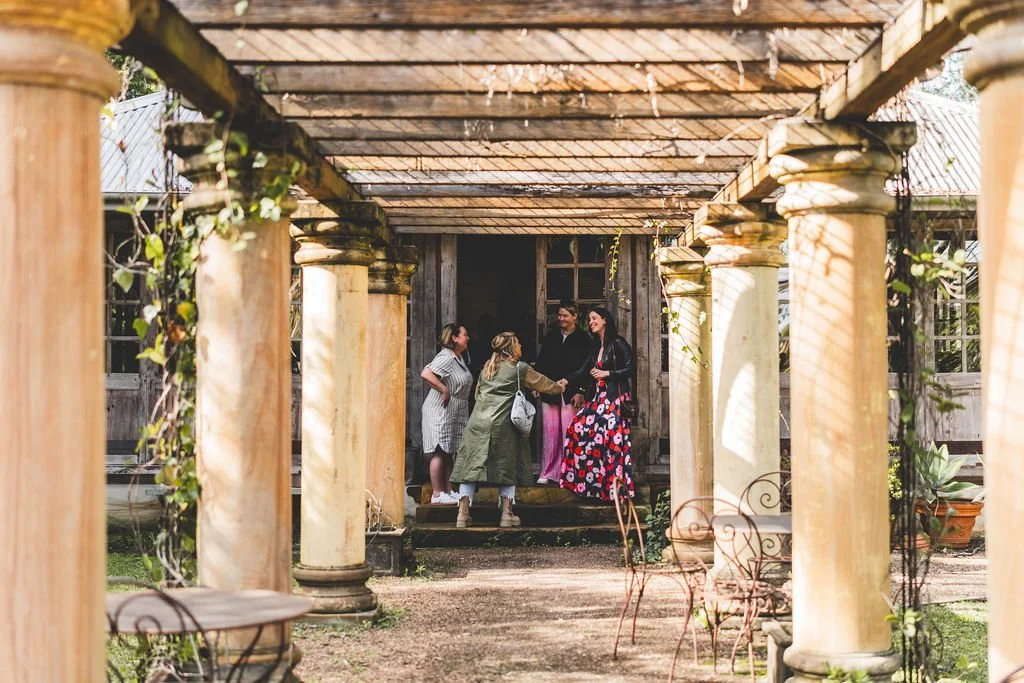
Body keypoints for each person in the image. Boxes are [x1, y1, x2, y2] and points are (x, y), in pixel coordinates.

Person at [452, 331, 567, 528]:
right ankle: (507, 514)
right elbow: (545, 384)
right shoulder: (519, 369)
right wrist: (561, 386)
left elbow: (478, 393)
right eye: (518, 343)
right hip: (503, 424)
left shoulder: (487, 368)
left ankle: (462, 515)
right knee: (508, 465)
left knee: (470, 467)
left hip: (478, 422)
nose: (521, 347)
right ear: (511, 348)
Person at [560, 307, 636, 501]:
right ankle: (593, 487)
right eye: (590, 319)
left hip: (615, 400)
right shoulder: (596, 348)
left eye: (594, 318)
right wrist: (566, 381)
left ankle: (617, 491)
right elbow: (584, 371)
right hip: (598, 400)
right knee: (576, 429)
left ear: (605, 320)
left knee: (613, 446)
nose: (591, 322)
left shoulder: (618, 343)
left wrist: (607, 374)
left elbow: (631, 368)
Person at [534, 302, 591, 485]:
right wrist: (537, 385)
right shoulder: (552, 336)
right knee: (550, 433)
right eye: (559, 315)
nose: (561, 319)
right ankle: (549, 472)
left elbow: (587, 368)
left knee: (569, 433)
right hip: (550, 390)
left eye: (565, 315)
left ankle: (570, 474)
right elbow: (541, 362)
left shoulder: (584, 339)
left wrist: (581, 391)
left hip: (572, 392)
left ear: (575, 316)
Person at [420, 322, 473, 504]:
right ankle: (437, 494)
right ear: (454, 338)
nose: (468, 338)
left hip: (453, 409)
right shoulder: (446, 357)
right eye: (465, 334)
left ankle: (449, 490)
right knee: (439, 449)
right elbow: (426, 373)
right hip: (439, 409)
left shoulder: (459, 357)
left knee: (448, 450)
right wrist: (443, 389)